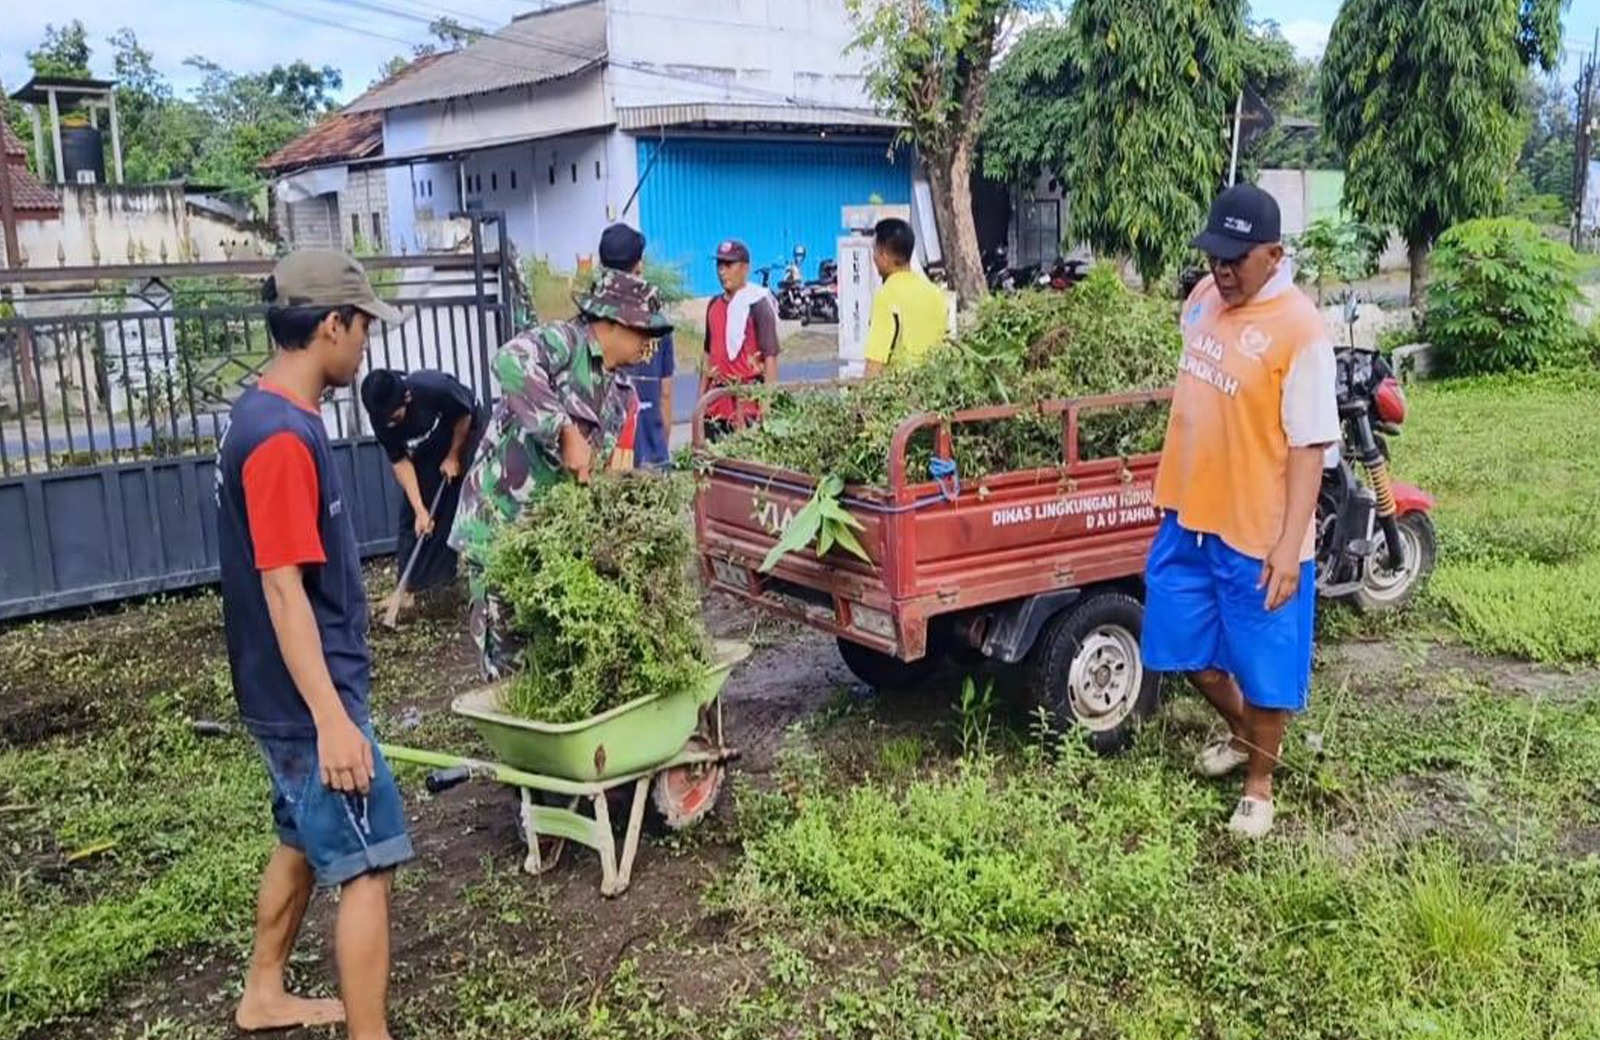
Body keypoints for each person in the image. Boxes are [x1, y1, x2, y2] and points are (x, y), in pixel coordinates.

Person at [214, 250, 412, 1039]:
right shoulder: (281, 442)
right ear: (331, 324)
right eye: (362, 325)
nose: (365, 344)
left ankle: (263, 992)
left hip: (284, 691)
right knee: (369, 864)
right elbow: (282, 588)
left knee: (299, 839)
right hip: (307, 700)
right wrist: (332, 719)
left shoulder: (262, 413)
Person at [1140, 183, 1339, 839]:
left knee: (1264, 667)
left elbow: (1310, 446)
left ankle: (1260, 783)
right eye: (1214, 256)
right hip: (1189, 514)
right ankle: (1242, 732)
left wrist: (1289, 546)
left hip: (1259, 529)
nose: (1221, 270)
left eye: (1237, 259)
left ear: (1275, 254)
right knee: (1182, 647)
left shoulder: (1301, 330)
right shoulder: (1203, 298)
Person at [448, 267, 671, 677]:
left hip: (547, 542)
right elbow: (509, 362)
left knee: (549, 659)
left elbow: (590, 470)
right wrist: (563, 429)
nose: (648, 344)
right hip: (500, 531)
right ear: (612, 322)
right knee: (509, 664)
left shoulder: (620, 393)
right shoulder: (563, 343)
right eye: (643, 332)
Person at [359, 368, 486, 603]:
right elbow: (400, 460)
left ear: (406, 398)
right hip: (430, 445)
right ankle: (410, 588)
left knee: (448, 504)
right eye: (385, 422)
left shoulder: (434, 387)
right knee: (416, 516)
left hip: (465, 431)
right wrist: (419, 509)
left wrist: (453, 456)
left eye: (395, 419)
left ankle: (442, 586)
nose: (390, 425)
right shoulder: (381, 417)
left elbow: (464, 415)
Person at [600, 223, 676, 468]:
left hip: (607, 459)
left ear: (602, 267)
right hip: (651, 449)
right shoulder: (655, 321)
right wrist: (661, 446)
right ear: (639, 265)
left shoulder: (593, 323)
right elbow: (665, 392)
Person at [699, 239, 779, 438]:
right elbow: (708, 355)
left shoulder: (757, 305)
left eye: (728, 265)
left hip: (747, 407)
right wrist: (701, 402)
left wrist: (766, 407)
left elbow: (770, 357)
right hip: (716, 407)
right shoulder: (713, 305)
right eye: (719, 265)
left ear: (745, 268)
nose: (722, 272)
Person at [862, 217, 949, 377]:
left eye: (875, 251)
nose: (873, 258)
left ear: (885, 256)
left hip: (899, 394)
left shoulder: (887, 296)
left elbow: (875, 362)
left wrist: (861, 399)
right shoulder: (935, 294)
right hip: (933, 391)